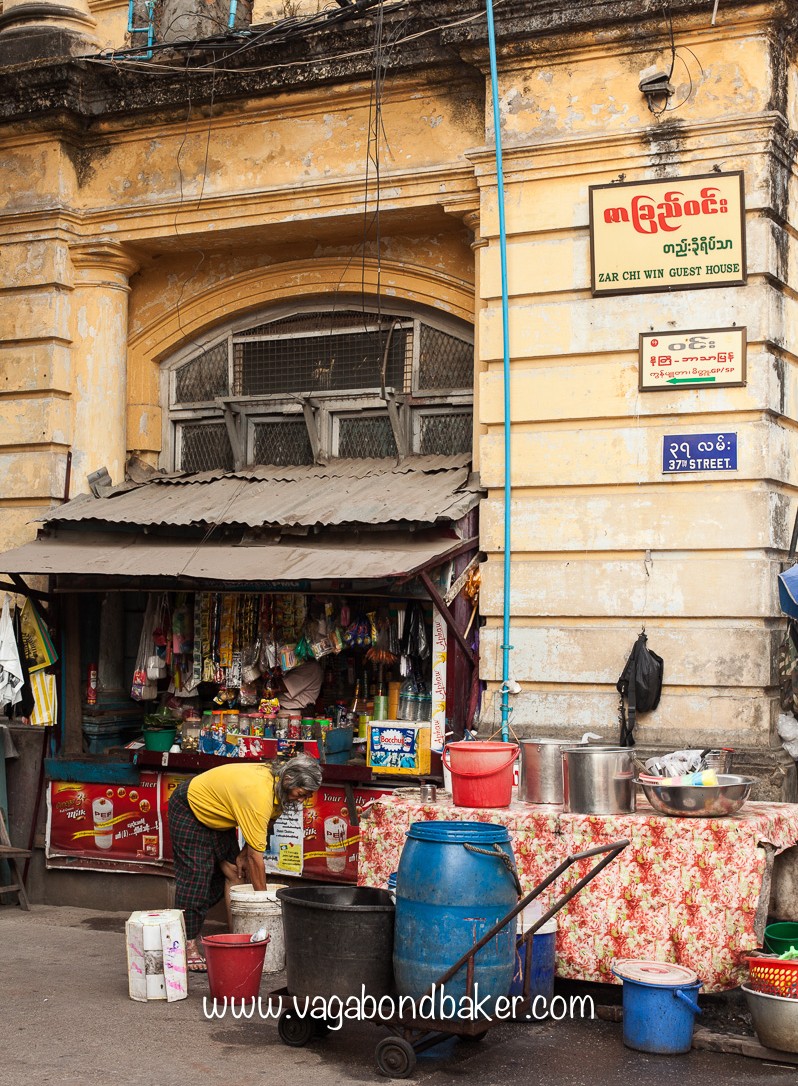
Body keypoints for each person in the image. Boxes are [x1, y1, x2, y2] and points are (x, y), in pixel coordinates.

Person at [168, 753, 322, 971]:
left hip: (219, 815)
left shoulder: (279, 788)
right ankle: (187, 943)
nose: (301, 800)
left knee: (235, 873)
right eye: (302, 793)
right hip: (190, 808)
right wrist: (263, 906)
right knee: (197, 879)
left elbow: (262, 829)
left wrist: (241, 853)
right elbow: (255, 858)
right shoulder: (259, 792)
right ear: (289, 780)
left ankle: (238, 939)